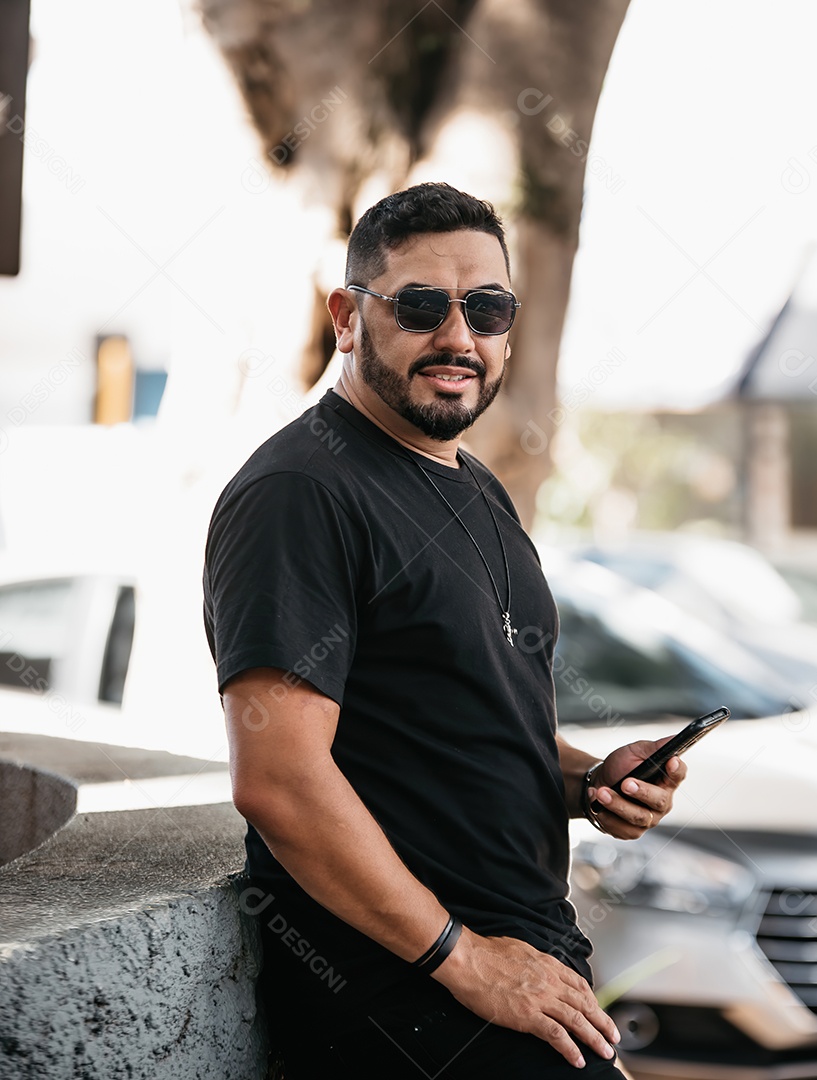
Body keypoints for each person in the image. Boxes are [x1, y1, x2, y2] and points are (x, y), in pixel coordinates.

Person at [203, 182, 687, 1078]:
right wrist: (462, 959)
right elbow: (278, 780)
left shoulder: (474, 488)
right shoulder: (301, 492)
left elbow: (467, 728)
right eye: (422, 306)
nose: (459, 337)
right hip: (412, 1009)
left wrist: (590, 782)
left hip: (529, 978)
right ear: (348, 317)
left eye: (487, 308)